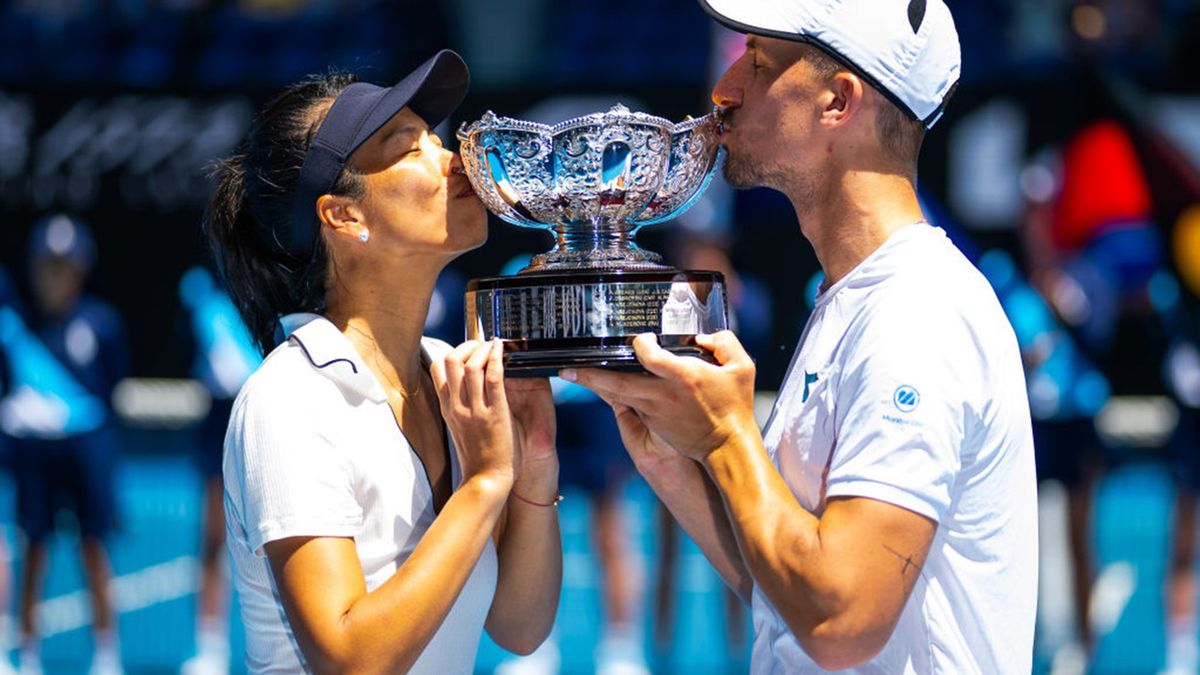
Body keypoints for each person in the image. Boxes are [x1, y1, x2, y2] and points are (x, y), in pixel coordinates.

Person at [563, 1, 1038, 672]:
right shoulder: (861, 297)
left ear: (838, 103)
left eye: (757, 63)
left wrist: (728, 439)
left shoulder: (914, 313)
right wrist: (672, 455)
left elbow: (841, 619)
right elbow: (788, 592)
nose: (723, 90)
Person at [205, 50, 562, 673]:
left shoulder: (450, 372)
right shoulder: (290, 398)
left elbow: (519, 625)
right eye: (410, 144)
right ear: (344, 215)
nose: (457, 160)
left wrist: (531, 467)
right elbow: (351, 661)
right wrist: (481, 485)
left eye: (436, 139)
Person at [1, 215, 129, 675]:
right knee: (32, 549)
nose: (56, 277)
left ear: (81, 270)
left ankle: (106, 655)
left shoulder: (101, 324)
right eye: (48, 266)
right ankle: (27, 656)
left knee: (94, 546)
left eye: (65, 266)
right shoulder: (15, 326)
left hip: (85, 451)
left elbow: (111, 387)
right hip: (33, 454)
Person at [177, 265, 262, 675]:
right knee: (212, 537)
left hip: (265, 415)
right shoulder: (201, 298)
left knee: (279, 535)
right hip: (217, 421)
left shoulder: (269, 295)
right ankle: (210, 648)